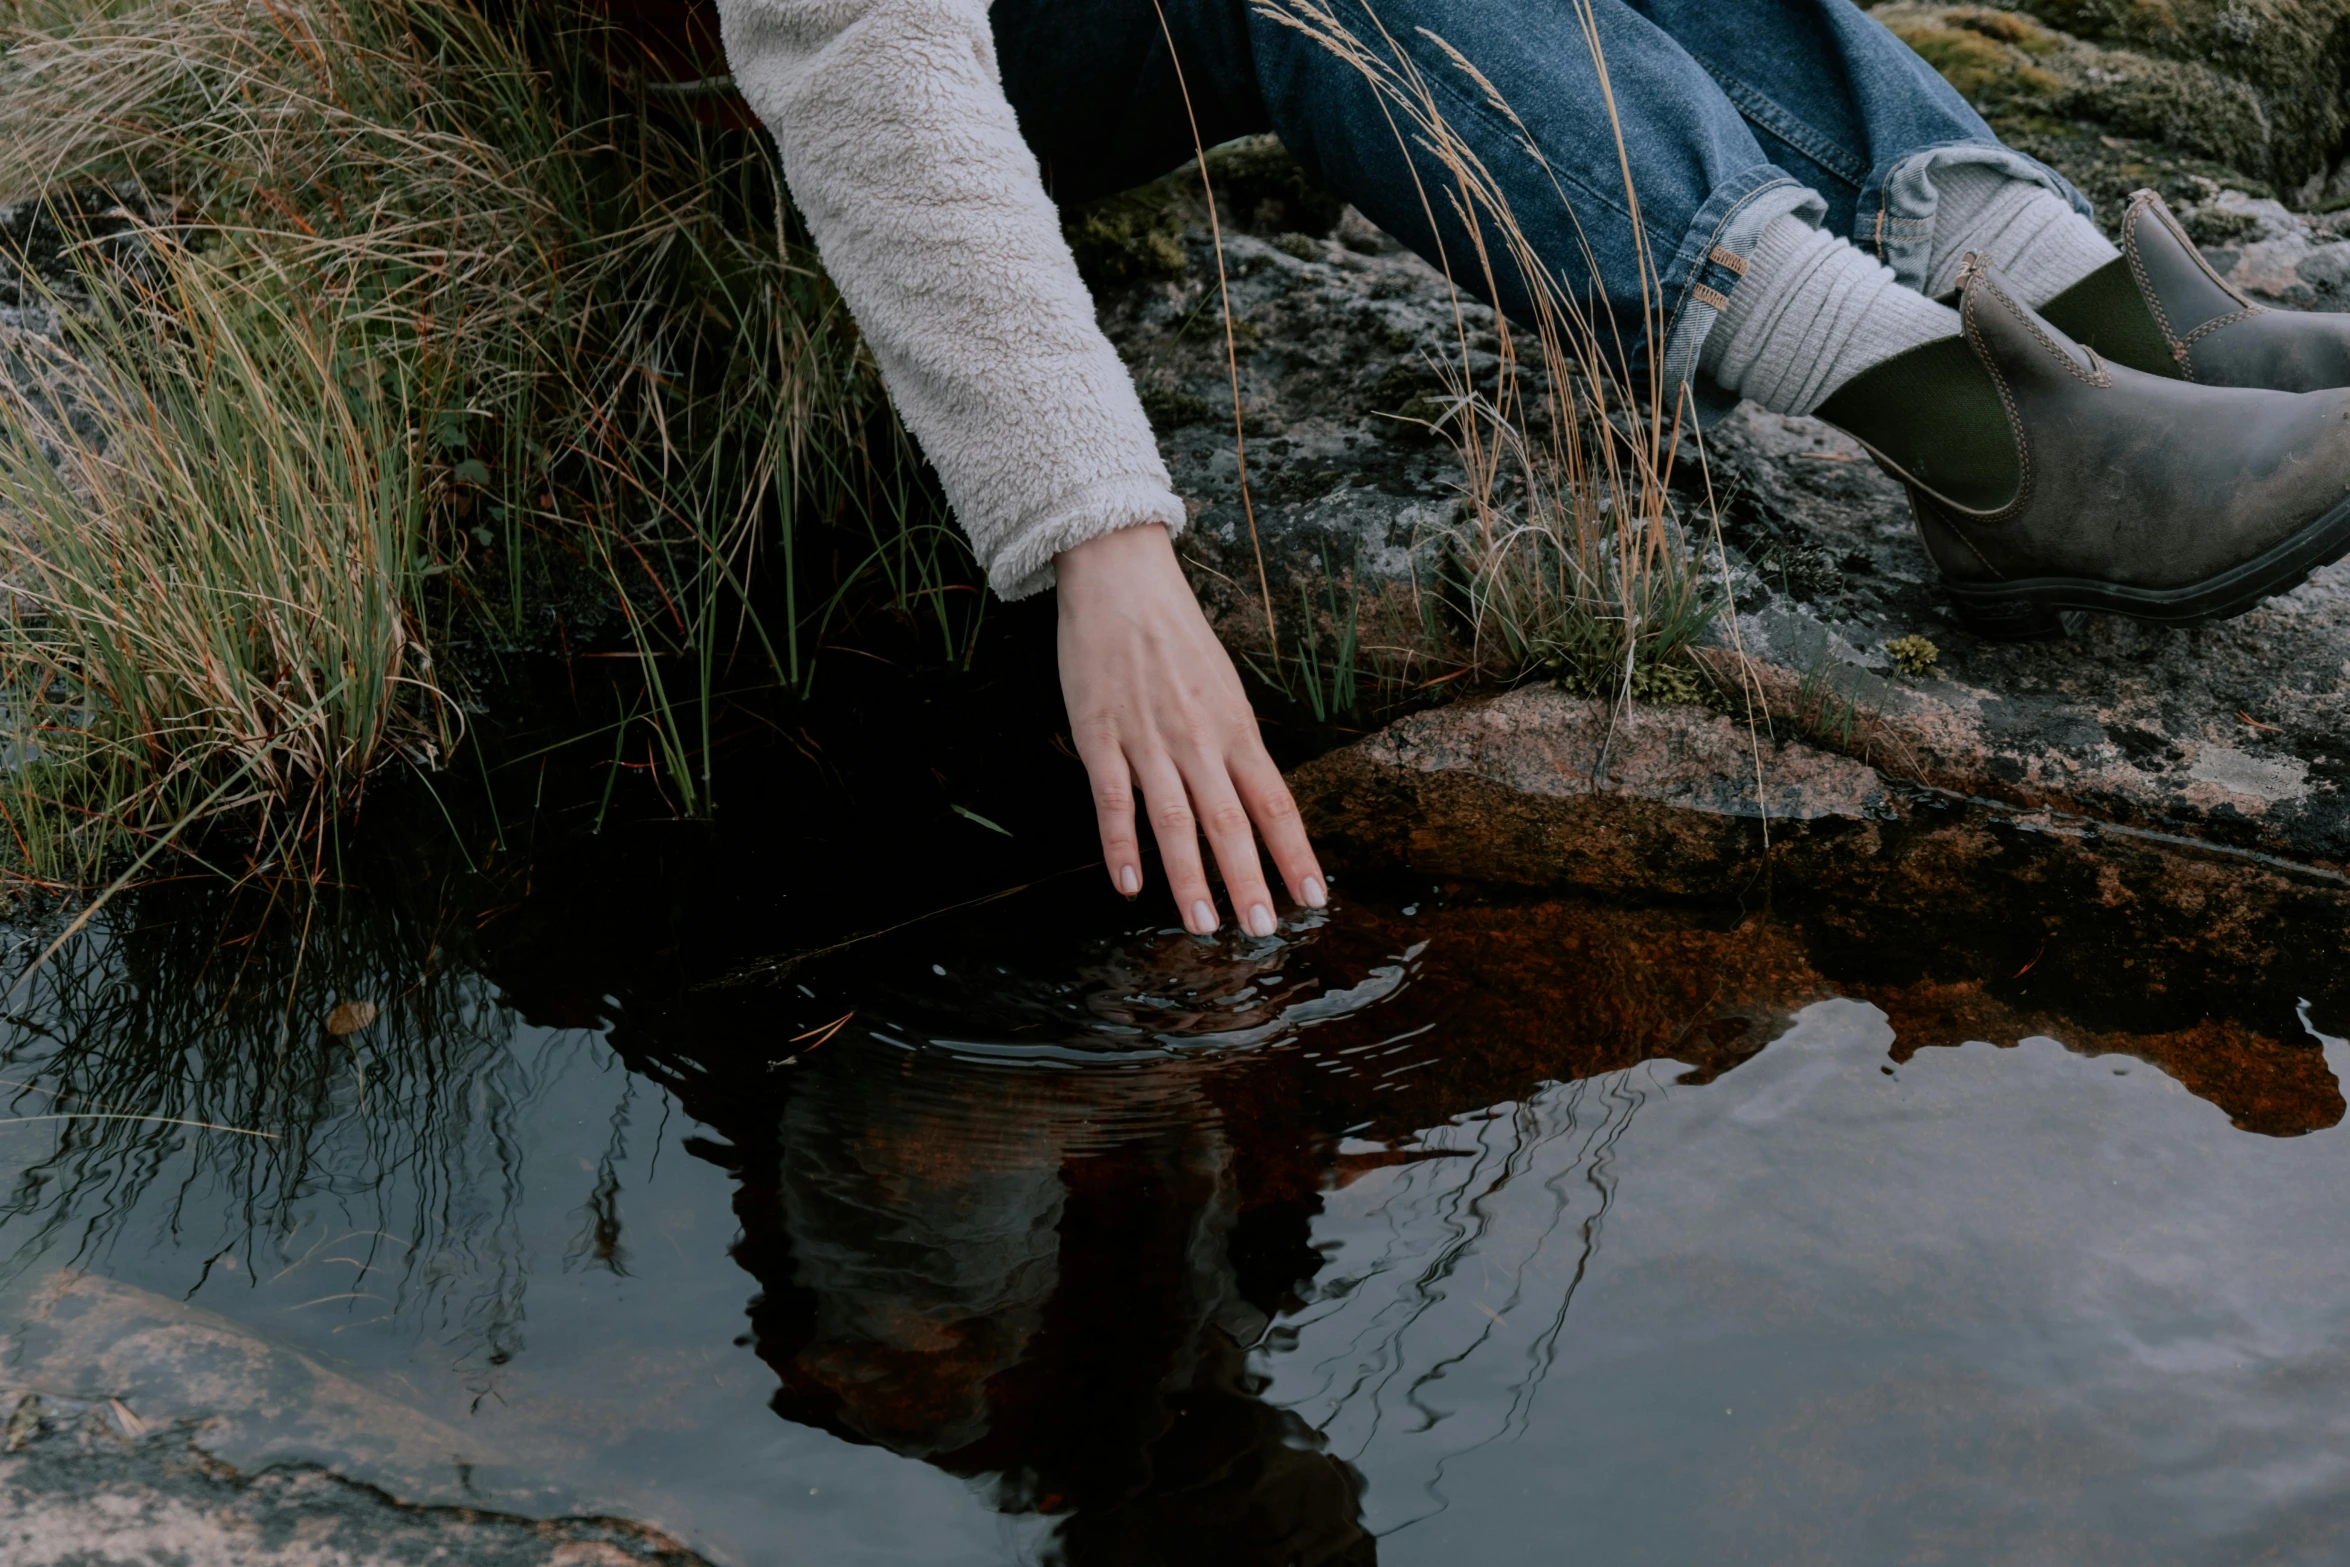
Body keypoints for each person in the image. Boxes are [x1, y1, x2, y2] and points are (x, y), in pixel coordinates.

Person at [708, 0, 2350, 933]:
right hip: (777, 78)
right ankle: (1974, 429)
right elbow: (850, 45)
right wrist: (1098, 535)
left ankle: (2090, 307)